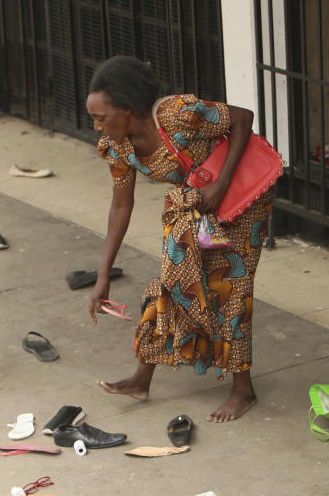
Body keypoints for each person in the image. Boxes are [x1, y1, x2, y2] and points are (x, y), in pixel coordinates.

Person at [85, 55, 272, 422]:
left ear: (127, 109)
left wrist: (221, 184)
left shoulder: (177, 113)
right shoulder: (117, 147)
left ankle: (243, 390)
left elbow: (243, 119)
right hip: (194, 208)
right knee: (171, 284)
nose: (96, 127)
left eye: (101, 117)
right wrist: (103, 273)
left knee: (229, 288)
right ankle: (142, 377)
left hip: (241, 201)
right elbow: (120, 207)